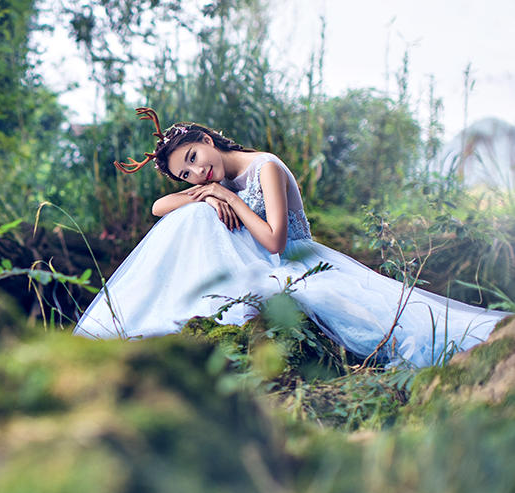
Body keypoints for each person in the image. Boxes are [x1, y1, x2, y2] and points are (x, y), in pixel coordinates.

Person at [73, 108, 510, 367]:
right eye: (184, 174)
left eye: (193, 158)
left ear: (206, 140)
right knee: (190, 217)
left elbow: (276, 241)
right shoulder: (212, 181)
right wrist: (205, 197)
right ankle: (148, 317)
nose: (196, 172)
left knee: (408, 330)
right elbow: (158, 208)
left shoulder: (264, 167)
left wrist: (228, 198)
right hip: (262, 264)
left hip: (296, 260)